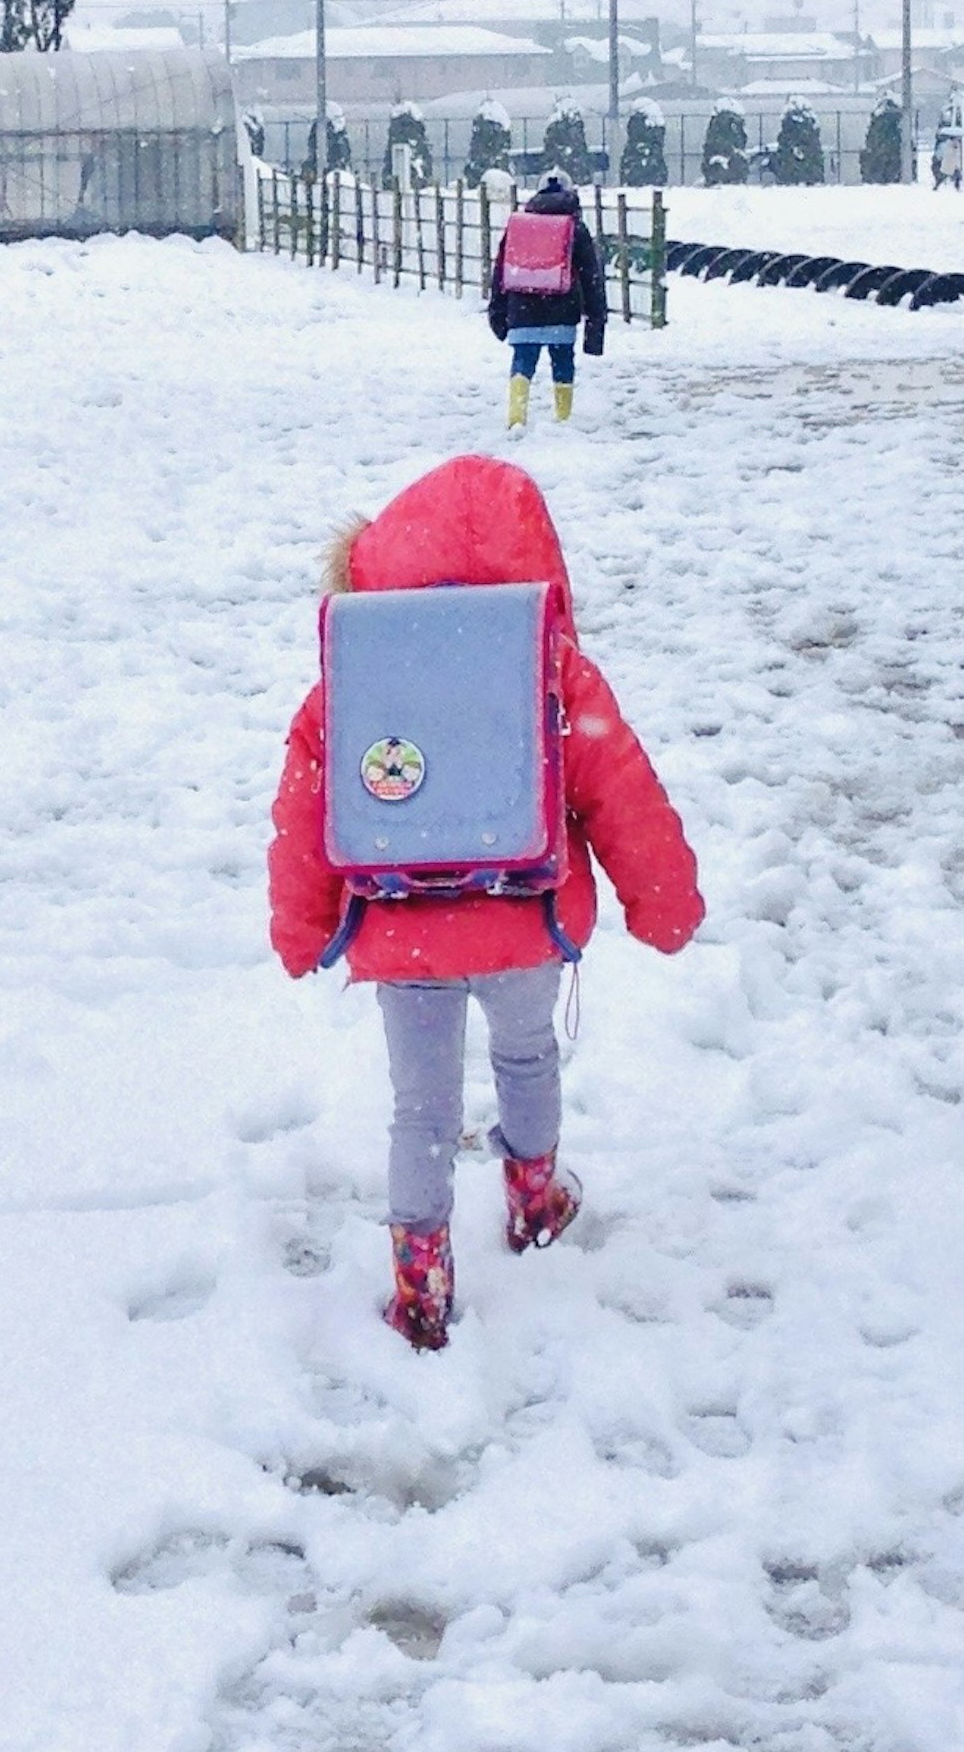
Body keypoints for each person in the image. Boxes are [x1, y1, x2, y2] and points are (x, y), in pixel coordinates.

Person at [268, 454, 705, 1352]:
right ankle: (534, 1199)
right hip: (524, 919)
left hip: (401, 925)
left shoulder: (354, 681)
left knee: (419, 1109)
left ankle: (421, 1284)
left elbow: (307, 802)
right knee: (527, 1055)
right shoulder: (549, 667)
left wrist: (302, 924)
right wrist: (660, 901)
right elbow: (618, 785)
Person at [484, 166, 606, 426]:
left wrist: (497, 312)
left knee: (523, 362)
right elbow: (591, 278)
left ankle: (516, 417)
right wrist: (595, 324)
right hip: (563, 309)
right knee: (562, 361)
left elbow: (501, 271)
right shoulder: (576, 228)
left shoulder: (519, 226)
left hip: (522, 308)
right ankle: (563, 417)